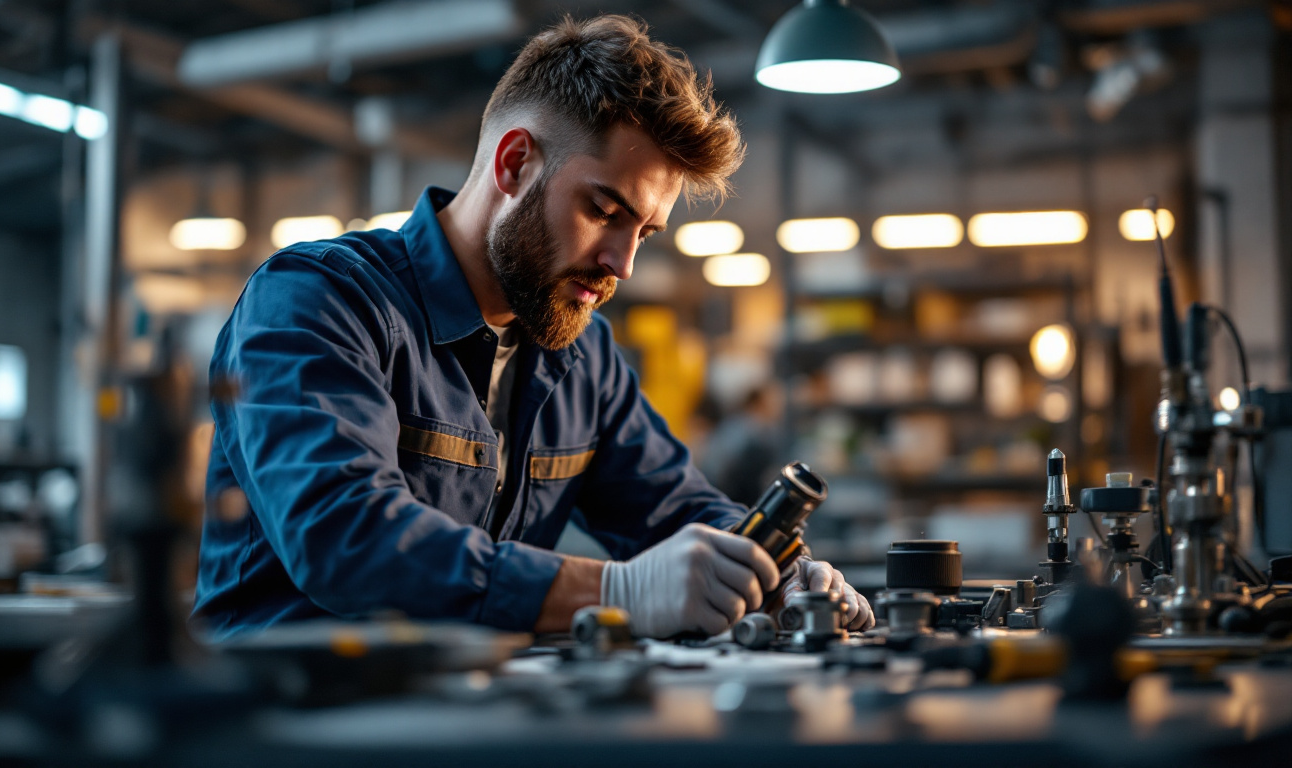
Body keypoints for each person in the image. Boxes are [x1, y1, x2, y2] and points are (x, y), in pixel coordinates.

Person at [193, 14, 873, 641]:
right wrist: (620, 590)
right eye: (605, 209)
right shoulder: (318, 301)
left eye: (645, 231)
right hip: (283, 720)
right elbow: (346, 539)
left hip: (467, 712)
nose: (623, 263)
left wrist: (777, 569)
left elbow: (672, 503)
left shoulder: (580, 355)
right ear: (514, 163)